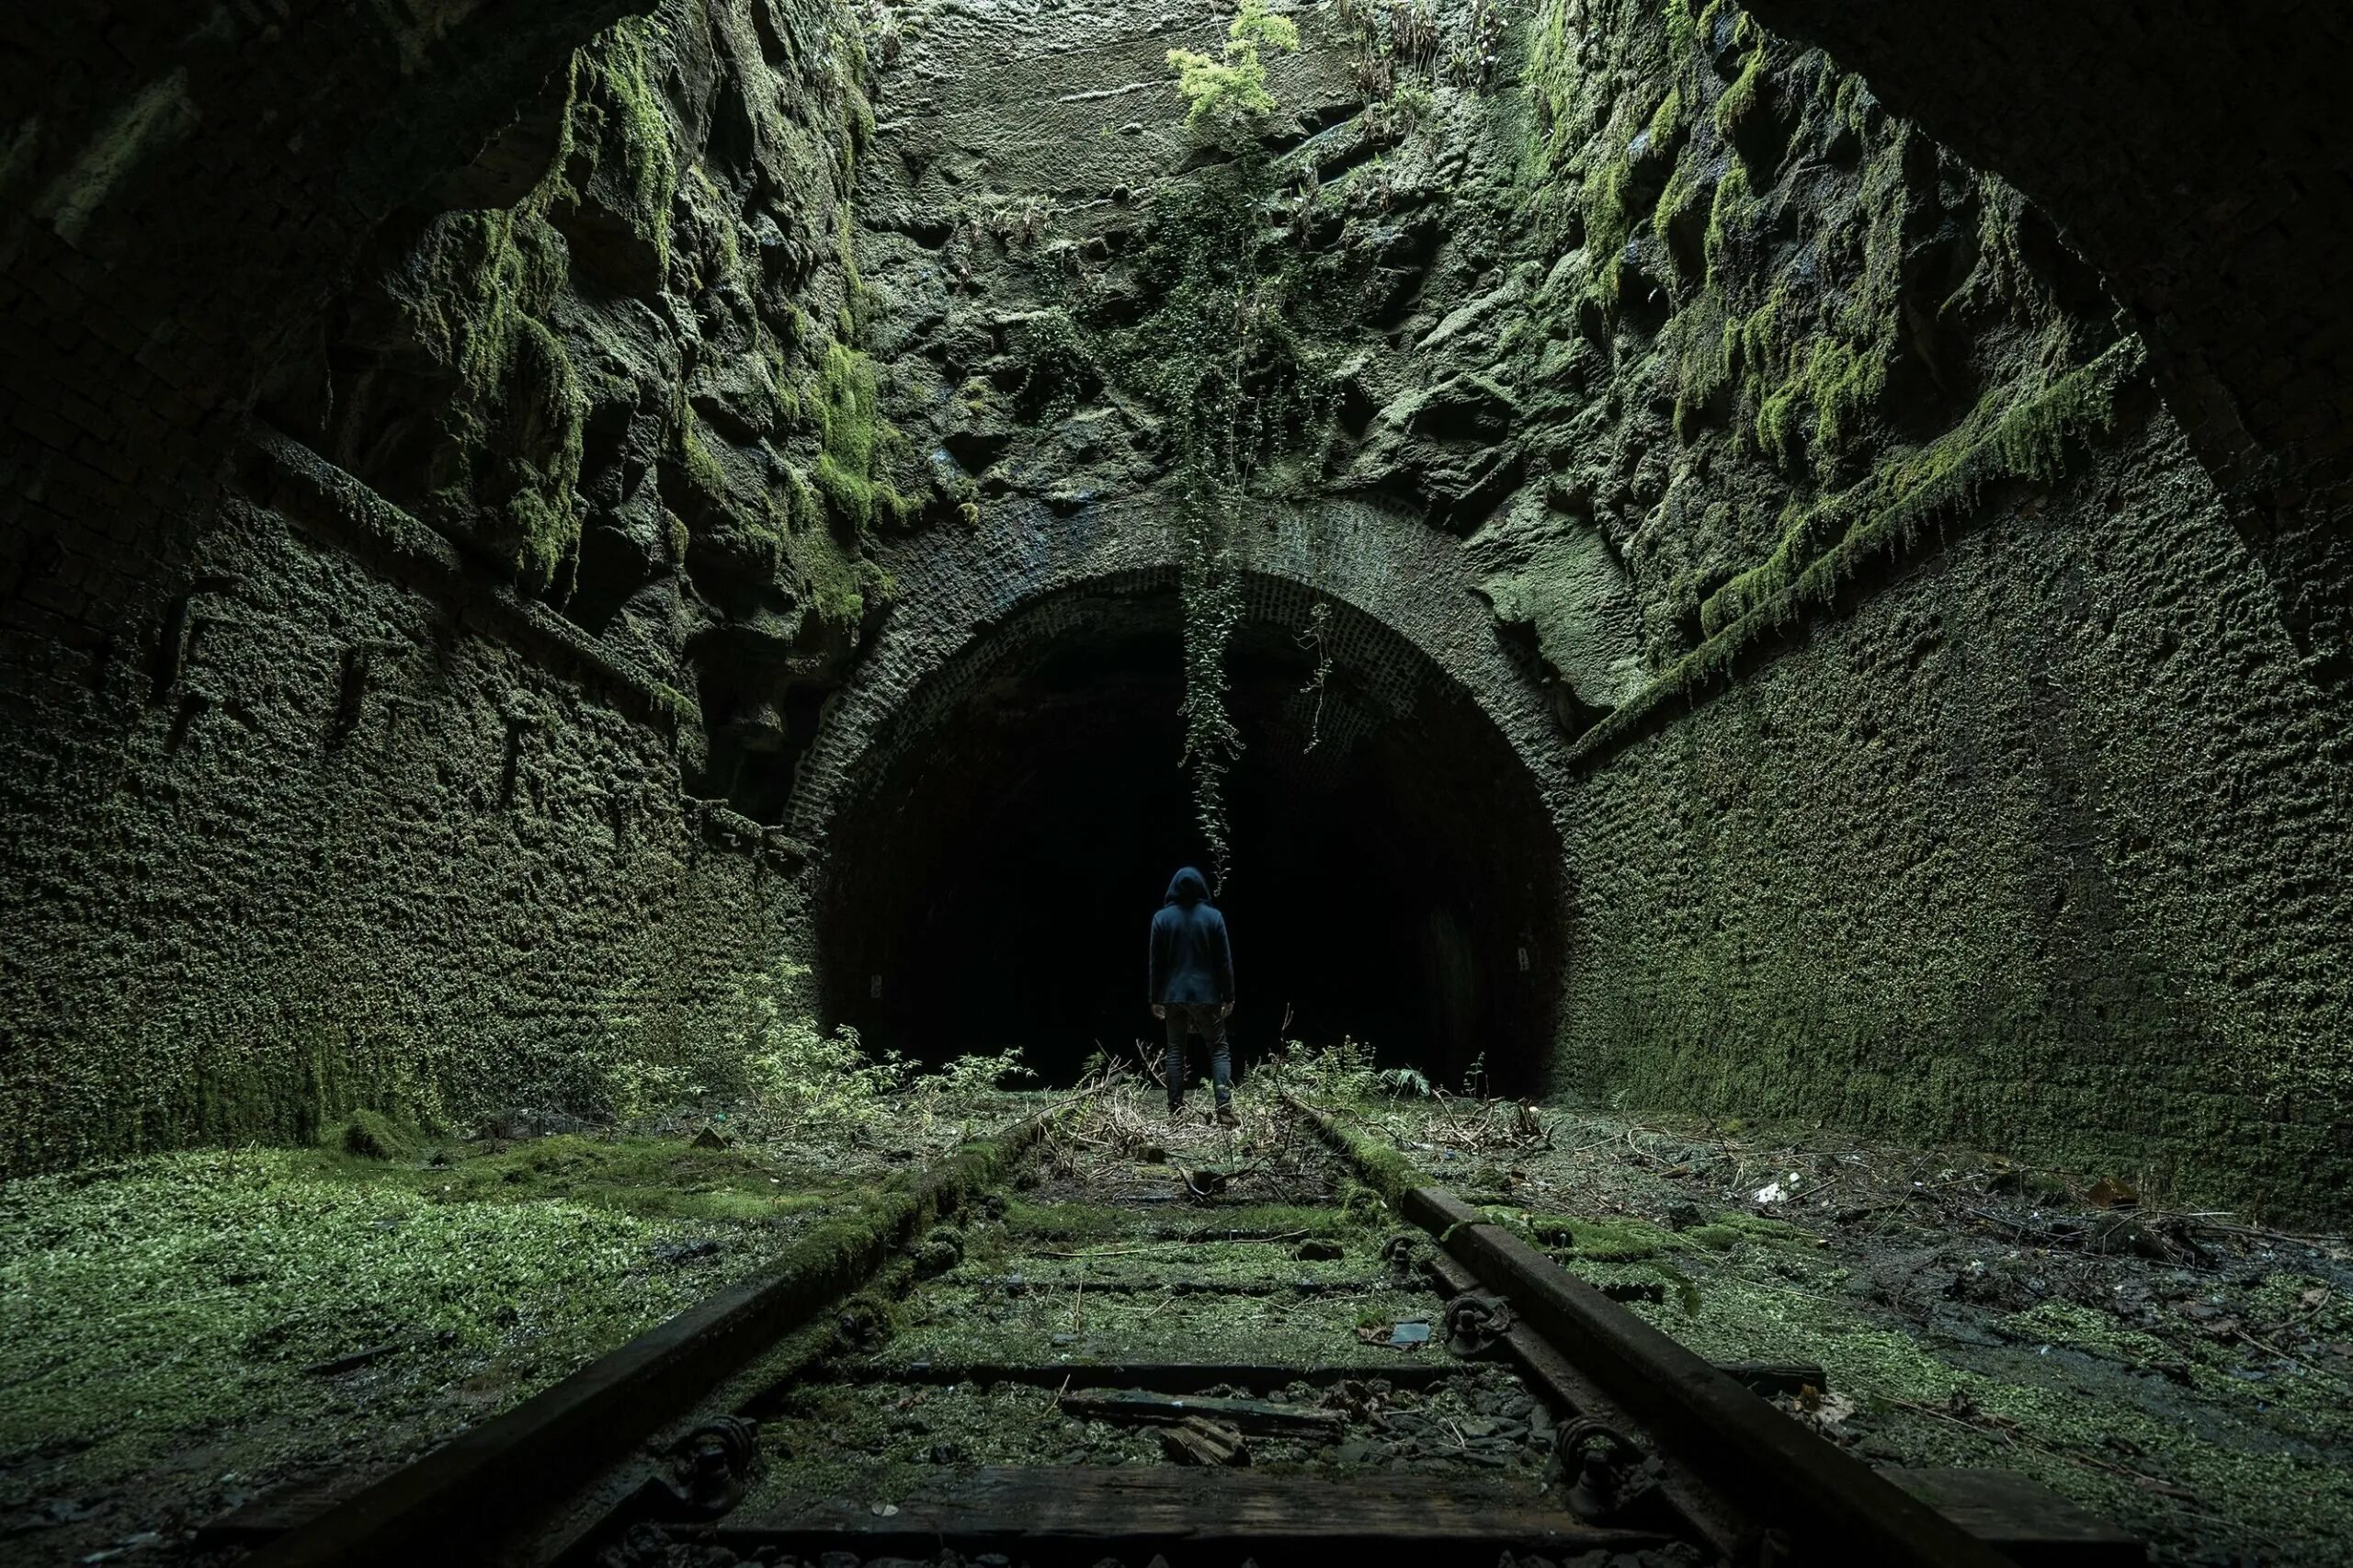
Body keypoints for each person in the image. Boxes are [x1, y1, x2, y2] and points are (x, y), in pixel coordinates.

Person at [1148, 866, 1237, 1126]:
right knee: (1219, 1050)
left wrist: (1154, 997)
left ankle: (1175, 1113)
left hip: (1173, 995)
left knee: (1175, 1051)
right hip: (1206, 995)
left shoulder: (1161, 919)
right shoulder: (1213, 917)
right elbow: (1224, 962)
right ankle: (1225, 1111)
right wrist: (1228, 995)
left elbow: (1156, 963)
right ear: (1201, 888)